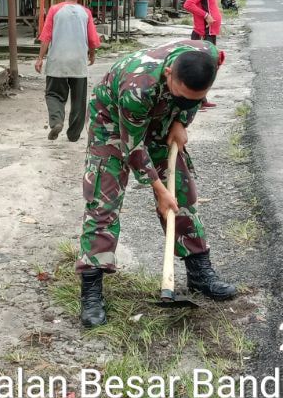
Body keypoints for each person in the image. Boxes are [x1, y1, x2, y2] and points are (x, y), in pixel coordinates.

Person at [76, 39, 238, 328]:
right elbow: (133, 146)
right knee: (104, 203)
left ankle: (200, 274)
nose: (188, 102)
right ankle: (91, 291)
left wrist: (181, 120)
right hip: (113, 125)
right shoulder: (137, 87)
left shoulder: (208, 56)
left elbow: (190, 99)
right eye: (182, 96)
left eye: (195, 99)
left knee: (183, 195)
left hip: (162, 117)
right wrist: (159, 190)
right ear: (168, 74)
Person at [34, 0, 100, 142]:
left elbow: (46, 37)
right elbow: (92, 39)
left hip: (58, 61)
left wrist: (40, 58)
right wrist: (92, 54)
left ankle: (57, 121)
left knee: (53, 94)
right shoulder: (86, 12)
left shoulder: (55, 10)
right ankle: (74, 134)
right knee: (79, 100)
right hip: (78, 62)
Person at [183, 0, 223, 109]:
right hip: (202, 34)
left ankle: (201, 99)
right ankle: (198, 100)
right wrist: (205, 15)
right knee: (202, 69)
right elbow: (188, 4)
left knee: (208, 67)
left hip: (210, 33)